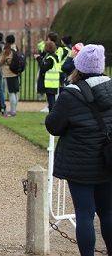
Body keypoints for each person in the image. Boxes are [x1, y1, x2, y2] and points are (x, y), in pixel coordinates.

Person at [45, 44, 112, 256]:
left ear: (79, 66)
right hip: (108, 158)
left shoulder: (70, 94)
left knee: (84, 214)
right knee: (108, 212)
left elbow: (53, 126)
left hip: (80, 161)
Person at [35, 41, 60, 113]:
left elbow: (44, 68)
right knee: (52, 103)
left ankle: (52, 120)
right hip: (53, 82)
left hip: (50, 83)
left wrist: (39, 59)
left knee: (51, 104)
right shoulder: (54, 56)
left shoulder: (50, 58)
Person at [0, 35, 19, 117]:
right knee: (15, 92)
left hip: (8, 72)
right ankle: (14, 109)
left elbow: (0, 61)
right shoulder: (16, 48)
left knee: (11, 93)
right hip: (15, 72)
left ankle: (12, 111)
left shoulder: (6, 49)